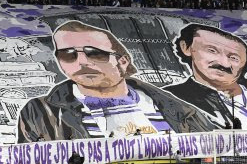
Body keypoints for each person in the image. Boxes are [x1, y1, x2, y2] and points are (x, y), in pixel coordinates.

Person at [18, 20, 212, 142]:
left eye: (95, 53)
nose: (82, 62)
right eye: (68, 55)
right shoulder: (40, 112)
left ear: (123, 61)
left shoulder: (178, 109)